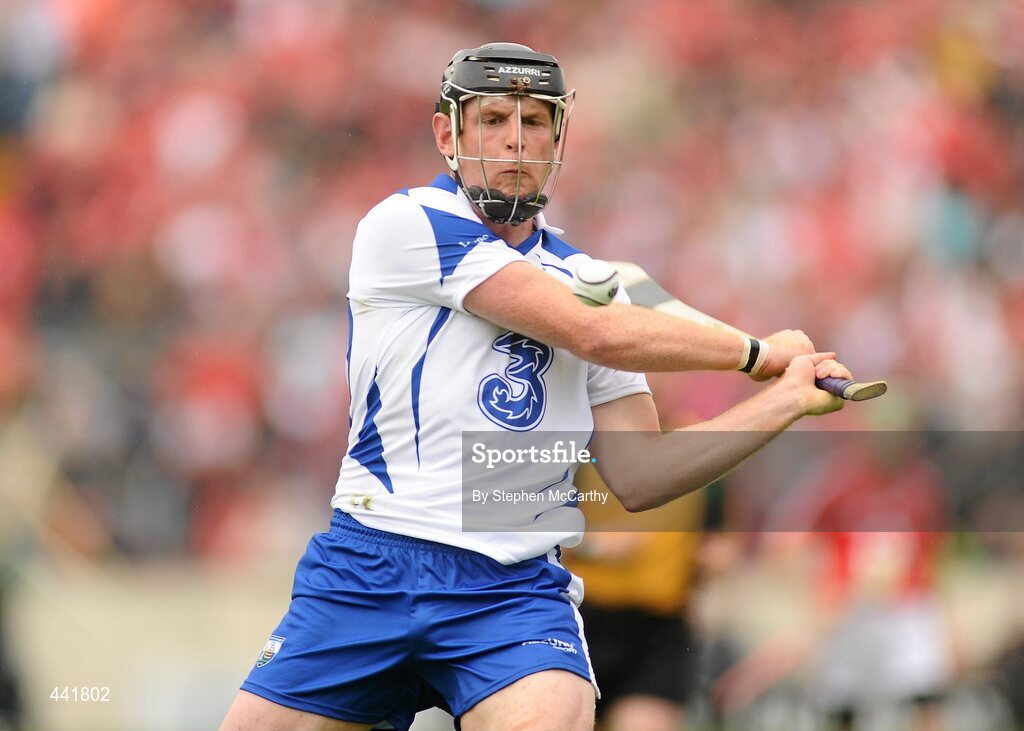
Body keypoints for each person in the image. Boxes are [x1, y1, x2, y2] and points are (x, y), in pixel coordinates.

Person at [219, 42, 856, 731]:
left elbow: (640, 472)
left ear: (560, 139)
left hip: (511, 591)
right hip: (370, 565)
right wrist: (753, 352)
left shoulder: (597, 283)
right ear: (447, 134)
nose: (514, 139)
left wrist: (785, 400)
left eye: (534, 122)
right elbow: (593, 334)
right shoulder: (406, 225)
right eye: (492, 119)